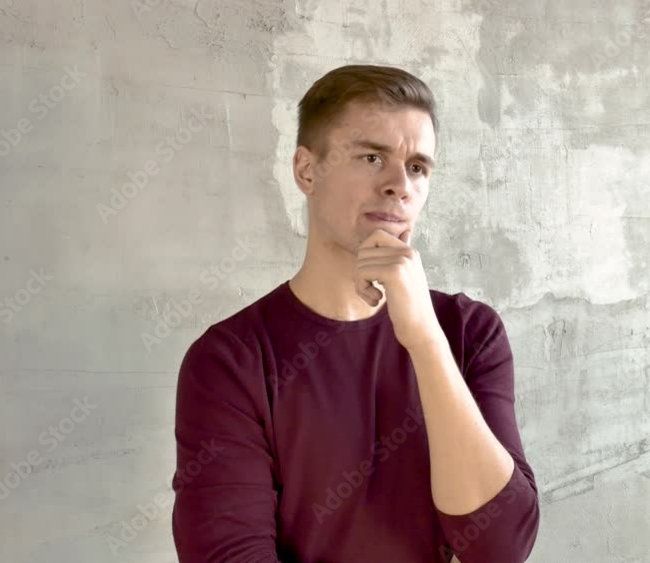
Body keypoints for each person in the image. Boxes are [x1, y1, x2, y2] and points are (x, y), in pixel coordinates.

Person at [171, 64, 540, 562]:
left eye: (418, 167)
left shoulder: (468, 332)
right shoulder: (230, 361)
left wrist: (425, 340)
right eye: (372, 157)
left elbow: (500, 547)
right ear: (307, 171)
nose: (399, 185)